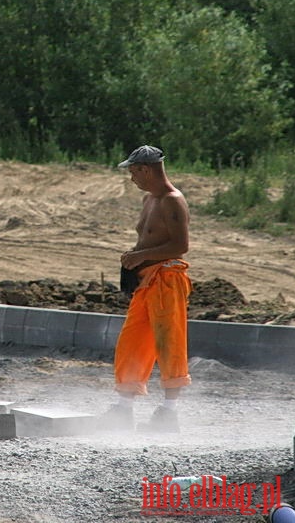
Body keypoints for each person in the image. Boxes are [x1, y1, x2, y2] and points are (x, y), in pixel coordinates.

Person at [102, 145, 192, 433]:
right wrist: (134, 258)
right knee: (133, 340)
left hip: (167, 279)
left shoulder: (172, 201)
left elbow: (181, 246)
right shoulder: (149, 200)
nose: (132, 178)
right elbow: (150, 240)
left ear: (145, 170)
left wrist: (140, 256)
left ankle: (169, 413)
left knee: (169, 342)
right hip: (147, 281)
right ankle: (124, 409)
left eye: (133, 172)